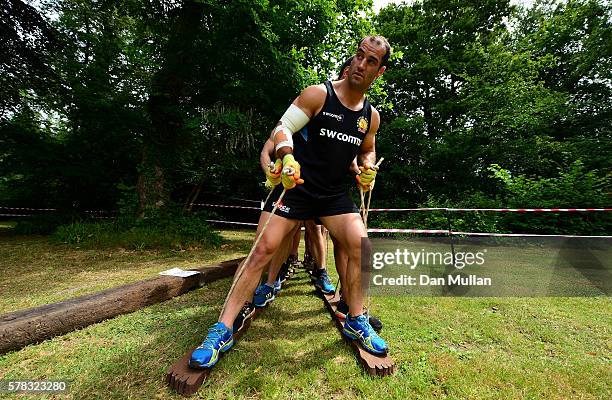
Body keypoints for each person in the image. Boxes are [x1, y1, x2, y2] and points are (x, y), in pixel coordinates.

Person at [190, 35, 391, 368]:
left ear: (379, 72)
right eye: (359, 56)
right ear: (353, 58)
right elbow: (283, 128)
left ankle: (357, 319)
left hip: (332, 195)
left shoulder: (371, 116)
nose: (361, 64)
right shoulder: (318, 94)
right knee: (263, 249)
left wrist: (368, 166)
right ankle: (221, 329)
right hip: (295, 186)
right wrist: (286, 156)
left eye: (371, 61)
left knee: (360, 245)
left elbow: (367, 148)